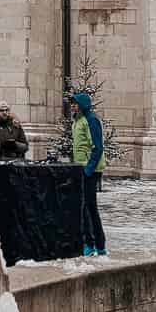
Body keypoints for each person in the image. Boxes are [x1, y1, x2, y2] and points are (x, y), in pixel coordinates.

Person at [67, 89, 106, 257]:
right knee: (84, 207)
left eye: (75, 104)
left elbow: (97, 147)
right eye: (72, 104)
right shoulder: (77, 121)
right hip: (81, 168)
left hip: (90, 169)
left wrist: (88, 169)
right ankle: (89, 242)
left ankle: (97, 244)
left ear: (82, 105)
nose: (72, 107)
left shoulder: (91, 120)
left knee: (90, 207)